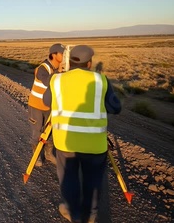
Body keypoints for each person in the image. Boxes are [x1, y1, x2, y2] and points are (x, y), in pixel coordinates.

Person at [42, 45, 121, 223]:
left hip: (65, 143)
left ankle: (73, 212)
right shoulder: (101, 81)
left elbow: (46, 102)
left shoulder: (57, 80)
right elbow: (116, 108)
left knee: (68, 178)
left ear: (68, 61)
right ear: (90, 62)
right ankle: (91, 215)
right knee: (92, 181)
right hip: (95, 144)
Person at [27, 43, 65, 166]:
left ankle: (49, 154)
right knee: (37, 131)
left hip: (50, 107)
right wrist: (59, 74)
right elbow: (47, 80)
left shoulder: (58, 69)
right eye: (62, 53)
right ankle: (37, 156)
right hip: (36, 106)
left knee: (50, 132)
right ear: (54, 55)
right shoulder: (42, 68)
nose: (64, 56)